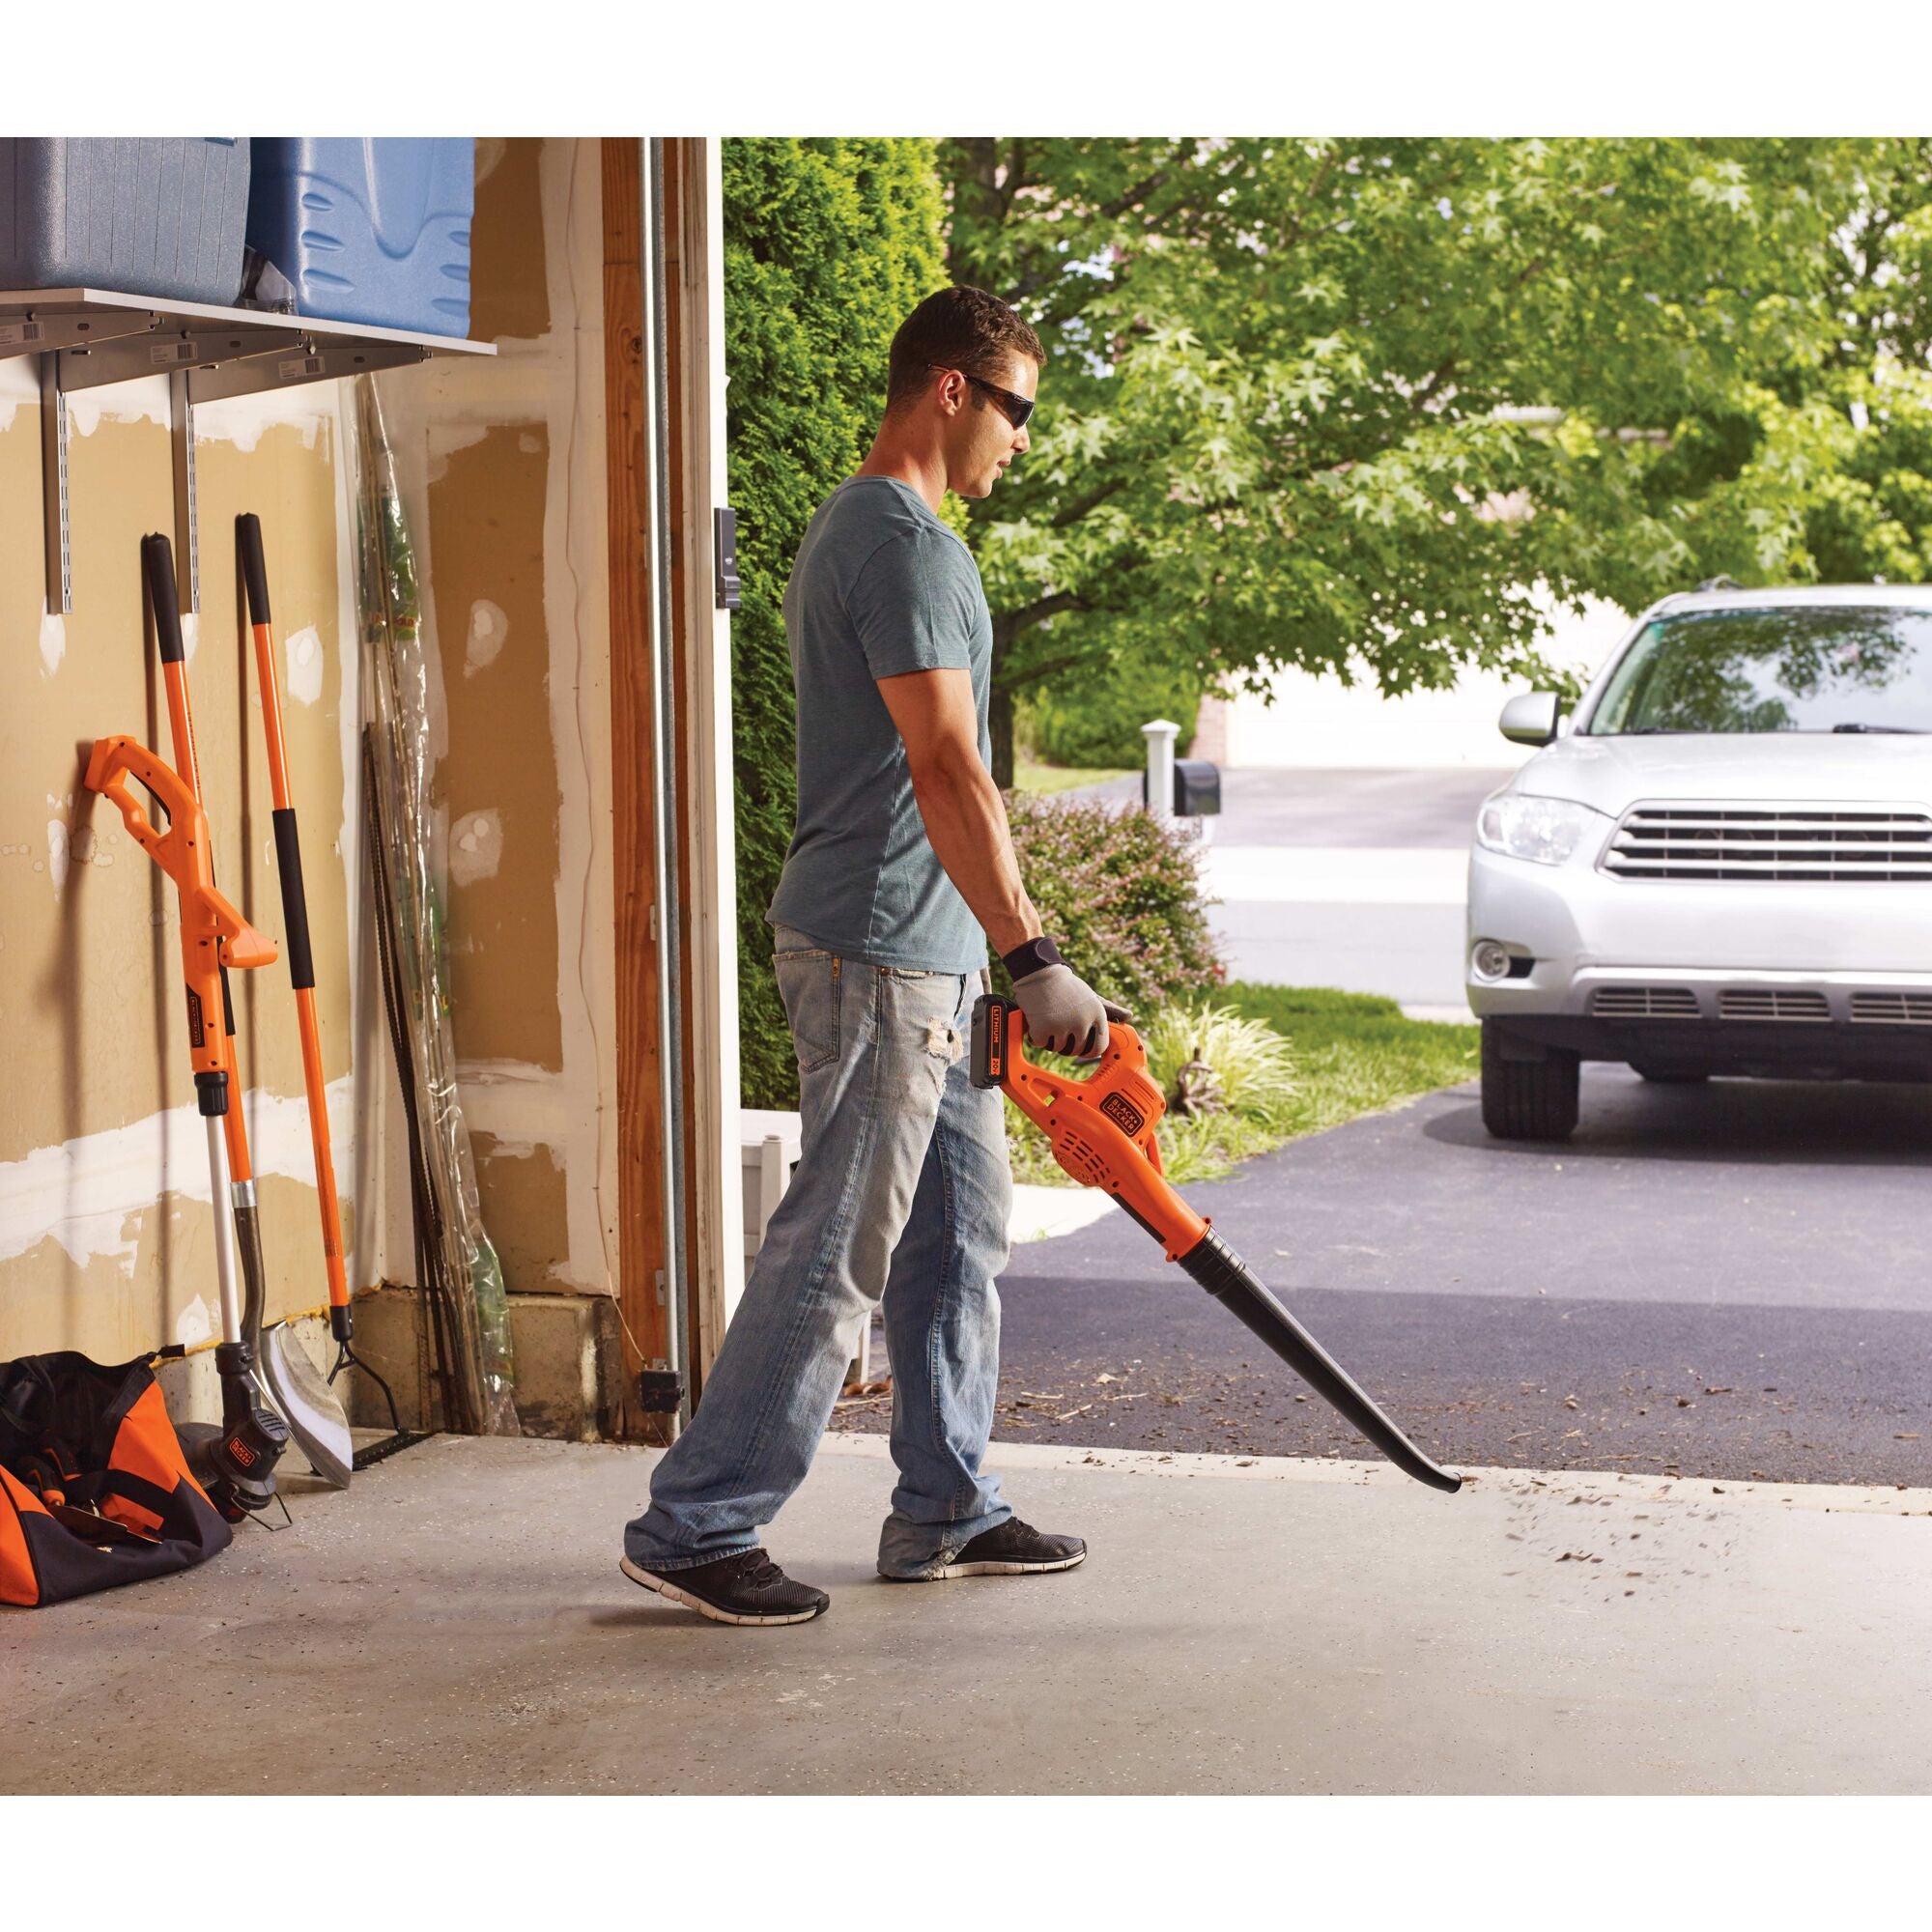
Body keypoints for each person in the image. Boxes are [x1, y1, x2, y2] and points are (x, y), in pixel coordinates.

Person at [621, 285, 1126, 1626]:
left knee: (959, 1238)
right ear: (952, 390)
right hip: (886, 954)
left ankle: (946, 1502)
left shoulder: (884, 534)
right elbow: (947, 763)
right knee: (838, 1247)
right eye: (1016, 408)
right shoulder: (901, 543)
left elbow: (952, 780)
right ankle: (699, 1519)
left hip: (931, 955)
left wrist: (995, 956)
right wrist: (1037, 954)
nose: (1024, 439)